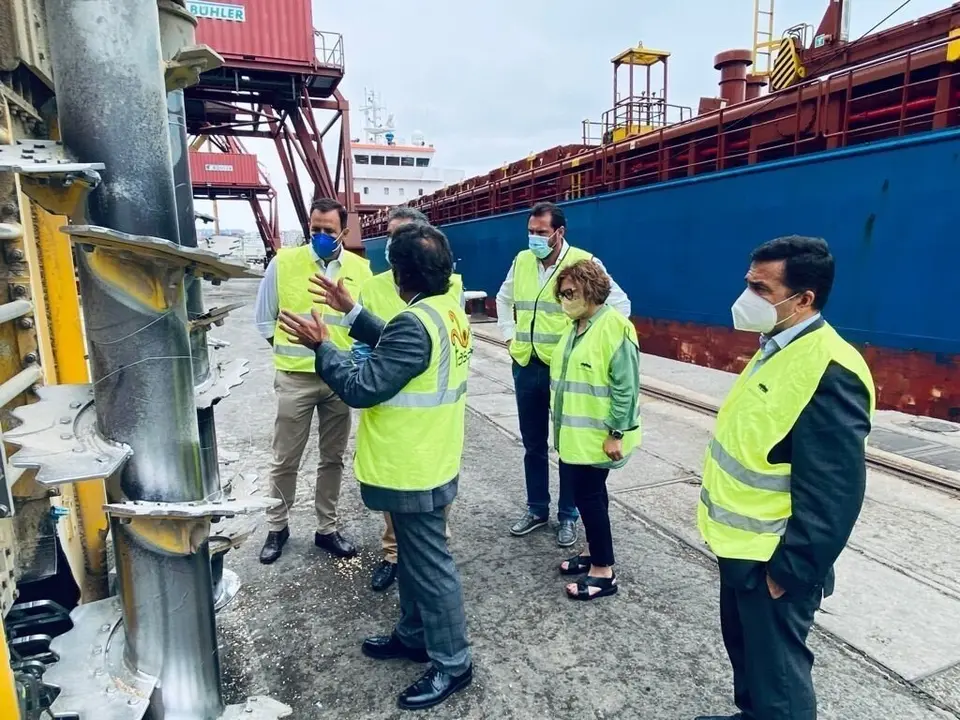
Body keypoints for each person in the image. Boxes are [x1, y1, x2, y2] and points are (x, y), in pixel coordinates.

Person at [277, 221, 473, 711]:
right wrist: (354, 312)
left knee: (431, 567)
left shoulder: (417, 321)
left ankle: (453, 662)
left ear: (402, 274)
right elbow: (402, 347)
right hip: (432, 455)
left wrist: (323, 346)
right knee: (413, 559)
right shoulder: (447, 310)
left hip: (413, 465)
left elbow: (362, 387)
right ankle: (413, 635)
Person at [694, 236, 875, 720]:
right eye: (748, 283)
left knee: (780, 681)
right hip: (741, 546)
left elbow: (834, 492)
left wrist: (790, 572)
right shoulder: (776, 346)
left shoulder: (831, 369)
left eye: (761, 288)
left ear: (803, 299)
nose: (746, 297)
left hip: (774, 558)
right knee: (747, 655)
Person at [496, 201, 631, 547]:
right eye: (530, 231)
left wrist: (589, 342)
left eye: (541, 232)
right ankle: (536, 508)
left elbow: (620, 305)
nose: (534, 238)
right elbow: (503, 298)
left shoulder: (583, 263)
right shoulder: (522, 261)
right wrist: (509, 337)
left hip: (566, 372)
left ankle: (568, 515)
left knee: (568, 446)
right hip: (526, 364)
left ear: (559, 232)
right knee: (532, 444)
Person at [254, 197, 373, 564]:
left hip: (339, 379)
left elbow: (364, 322)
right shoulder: (284, 262)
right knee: (285, 458)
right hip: (296, 378)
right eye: (315, 229)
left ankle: (327, 528)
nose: (320, 235)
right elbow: (264, 320)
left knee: (332, 458)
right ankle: (277, 527)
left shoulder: (361, 270)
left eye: (328, 230)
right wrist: (292, 352)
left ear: (344, 232)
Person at [350, 206, 462, 592]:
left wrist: (321, 347)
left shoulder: (441, 297)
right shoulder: (379, 288)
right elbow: (381, 345)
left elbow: (416, 343)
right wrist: (353, 317)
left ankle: (447, 643)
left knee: (430, 549)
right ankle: (395, 557)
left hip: (423, 428)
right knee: (405, 514)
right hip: (408, 423)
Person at [548, 260, 640, 601]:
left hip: (599, 439)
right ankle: (592, 552)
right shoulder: (576, 326)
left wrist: (616, 433)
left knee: (589, 498)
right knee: (590, 497)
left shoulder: (615, 328)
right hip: (575, 437)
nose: (565, 300)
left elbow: (626, 388)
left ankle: (603, 571)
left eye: (570, 293)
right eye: (562, 294)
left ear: (590, 289)